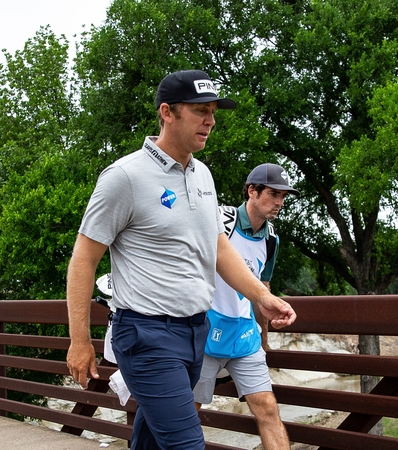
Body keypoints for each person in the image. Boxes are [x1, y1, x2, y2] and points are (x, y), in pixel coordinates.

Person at [66, 69, 297, 450]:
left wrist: (261, 296)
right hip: (146, 334)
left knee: (153, 441)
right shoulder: (124, 176)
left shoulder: (203, 175)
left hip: (195, 333)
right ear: (167, 113)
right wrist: (79, 340)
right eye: (200, 111)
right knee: (186, 444)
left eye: (213, 112)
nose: (210, 121)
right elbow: (83, 259)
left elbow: (219, 248)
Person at [193, 163, 299, 450]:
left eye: (283, 197)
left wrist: (264, 341)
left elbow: (262, 290)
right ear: (252, 191)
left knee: (267, 409)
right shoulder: (220, 221)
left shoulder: (272, 238)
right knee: (190, 411)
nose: (279, 202)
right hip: (205, 332)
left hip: (244, 337)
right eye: (274, 194)